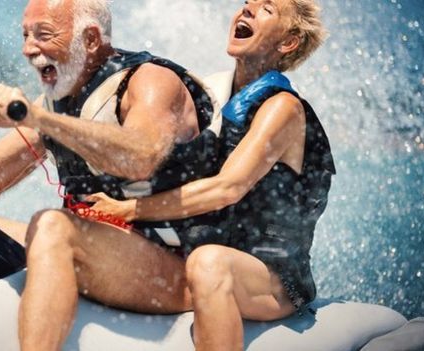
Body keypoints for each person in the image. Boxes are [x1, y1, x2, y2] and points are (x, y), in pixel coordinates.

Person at [0, 0, 222, 349]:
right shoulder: (56, 101)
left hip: (172, 268)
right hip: (101, 248)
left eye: (43, 35)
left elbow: (139, 157)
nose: (29, 49)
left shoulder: (151, 81)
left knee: (53, 226)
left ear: (91, 39)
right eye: (25, 35)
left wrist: (39, 120)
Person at [83, 0, 335, 350]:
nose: (246, 10)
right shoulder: (218, 96)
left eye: (266, 9)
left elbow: (226, 188)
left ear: (288, 42)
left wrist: (128, 211)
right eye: (246, 3)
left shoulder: (283, 109)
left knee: (208, 261)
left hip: (277, 279)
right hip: (210, 252)